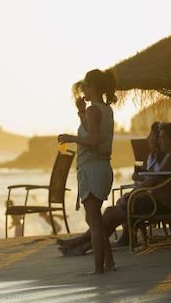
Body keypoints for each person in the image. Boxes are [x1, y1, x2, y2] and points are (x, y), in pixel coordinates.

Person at [59, 122, 171, 258]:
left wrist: (133, 193)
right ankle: (82, 246)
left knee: (110, 214)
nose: (160, 141)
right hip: (154, 201)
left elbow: (153, 180)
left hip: (157, 204)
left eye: (163, 137)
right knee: (110, 215)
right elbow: (154, 179)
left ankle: (80, 243)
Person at [58, 69, 117, 274]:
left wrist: (71, 138)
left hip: (92, 169)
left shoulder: (95, 110)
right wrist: (82, 112)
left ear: (93, 87)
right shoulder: (104, 109)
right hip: (102, 168)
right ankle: (109, 263)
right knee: (95, 220)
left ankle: (98, 269)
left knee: (94, 220)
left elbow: (92, 140)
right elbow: (94, 131)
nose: (83, 89)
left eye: (86, 86)